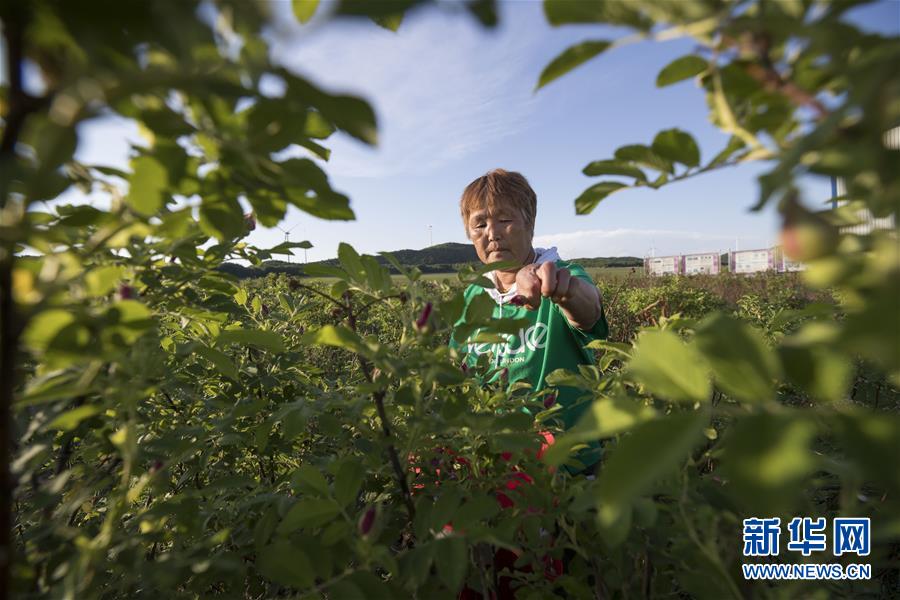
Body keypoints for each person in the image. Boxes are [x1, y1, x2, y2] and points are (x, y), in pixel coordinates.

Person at [449, 168, 608, 473]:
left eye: (504, 220)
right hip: (501, 465)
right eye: (479, 223)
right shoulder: (472, 297)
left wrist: (563, 290)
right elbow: (459, 373)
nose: (492, 234)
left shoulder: (565, 274)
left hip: (570, 463)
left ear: (530, 222)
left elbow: (589, 313)